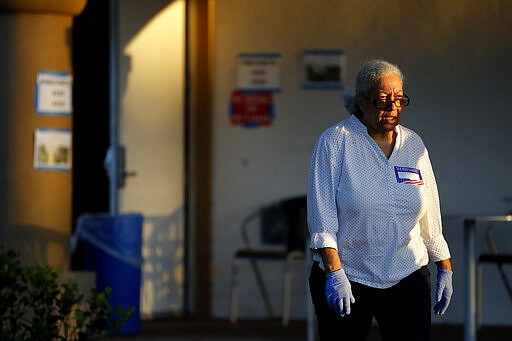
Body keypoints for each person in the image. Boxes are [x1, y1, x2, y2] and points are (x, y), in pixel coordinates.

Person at [307, 59, 453, 341]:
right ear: (362, 101)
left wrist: (444, 266)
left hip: (406, 272)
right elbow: (321, 218)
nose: (392, 107)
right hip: (350, 274)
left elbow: (430, 216)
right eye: (383, 99)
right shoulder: (336, 142)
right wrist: (334, 272)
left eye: (399, 100)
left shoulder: (413, 144)